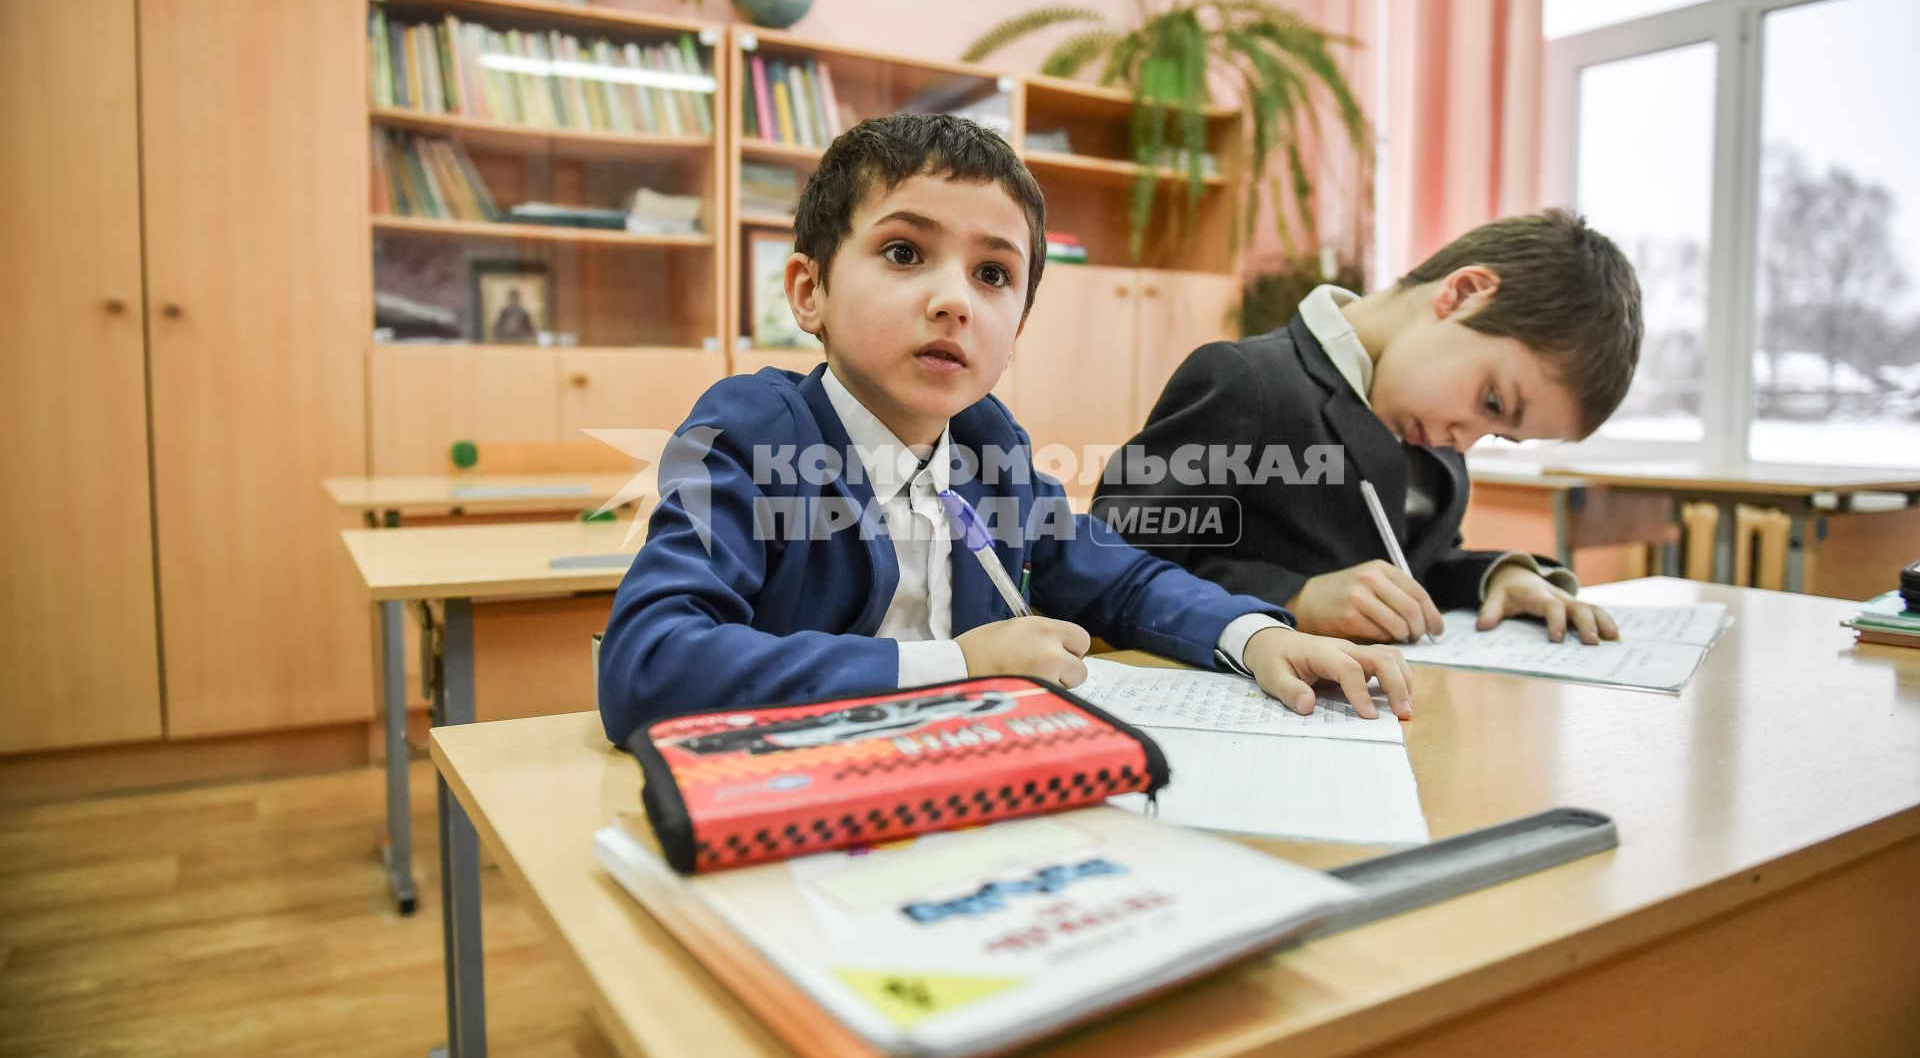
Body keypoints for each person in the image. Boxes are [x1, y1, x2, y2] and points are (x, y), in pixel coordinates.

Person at [597, 115, 1410, 744]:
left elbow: (1120, 581)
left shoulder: (991, 448)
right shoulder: (747, 432)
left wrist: (1253, 634)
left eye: (994, 274)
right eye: (905, 252)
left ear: (1015, 330)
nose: (955, 299)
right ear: (809, 293)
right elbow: (649, 663)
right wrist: (955, 666)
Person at [1092, 210, 1643, 646]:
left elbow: (1410, 566)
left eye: (1497, 433)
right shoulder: (1249, 381)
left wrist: (1498, 577)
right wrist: (1297, 598)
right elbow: (1114, 558)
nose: (1466, 438)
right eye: (1492, 400)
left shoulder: (1431, 429)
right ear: (1464, 293)